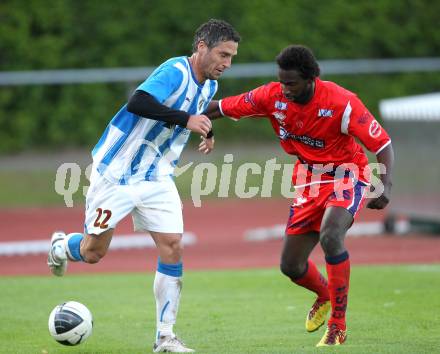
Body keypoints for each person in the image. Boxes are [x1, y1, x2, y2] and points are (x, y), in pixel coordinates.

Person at [47, 19, 240, 353]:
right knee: (94, 252)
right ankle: (63, 246)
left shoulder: (209, 86)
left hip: (156, 176)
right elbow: (138, 101)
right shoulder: (175, 71)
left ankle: (165, 337)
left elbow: (194, 111)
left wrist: (207, 129)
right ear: (201, 47)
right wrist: (187, 120)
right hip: (117, 174)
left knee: (173, 245)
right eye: (223, 54)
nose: (227, 63)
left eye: (232, 57)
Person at [204, 44, 394, 347]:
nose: (285, 89)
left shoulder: (342, 102)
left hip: (348, 174)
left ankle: (338, 326)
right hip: (308, 180)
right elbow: (219, 108)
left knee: (332, 236)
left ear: (311, 79)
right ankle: (325, 294)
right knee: (291, 266)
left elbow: (382, 144)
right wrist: (175, 116)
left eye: (291, 83)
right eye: (281, 81)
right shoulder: (272, 96)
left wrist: (385, 185)